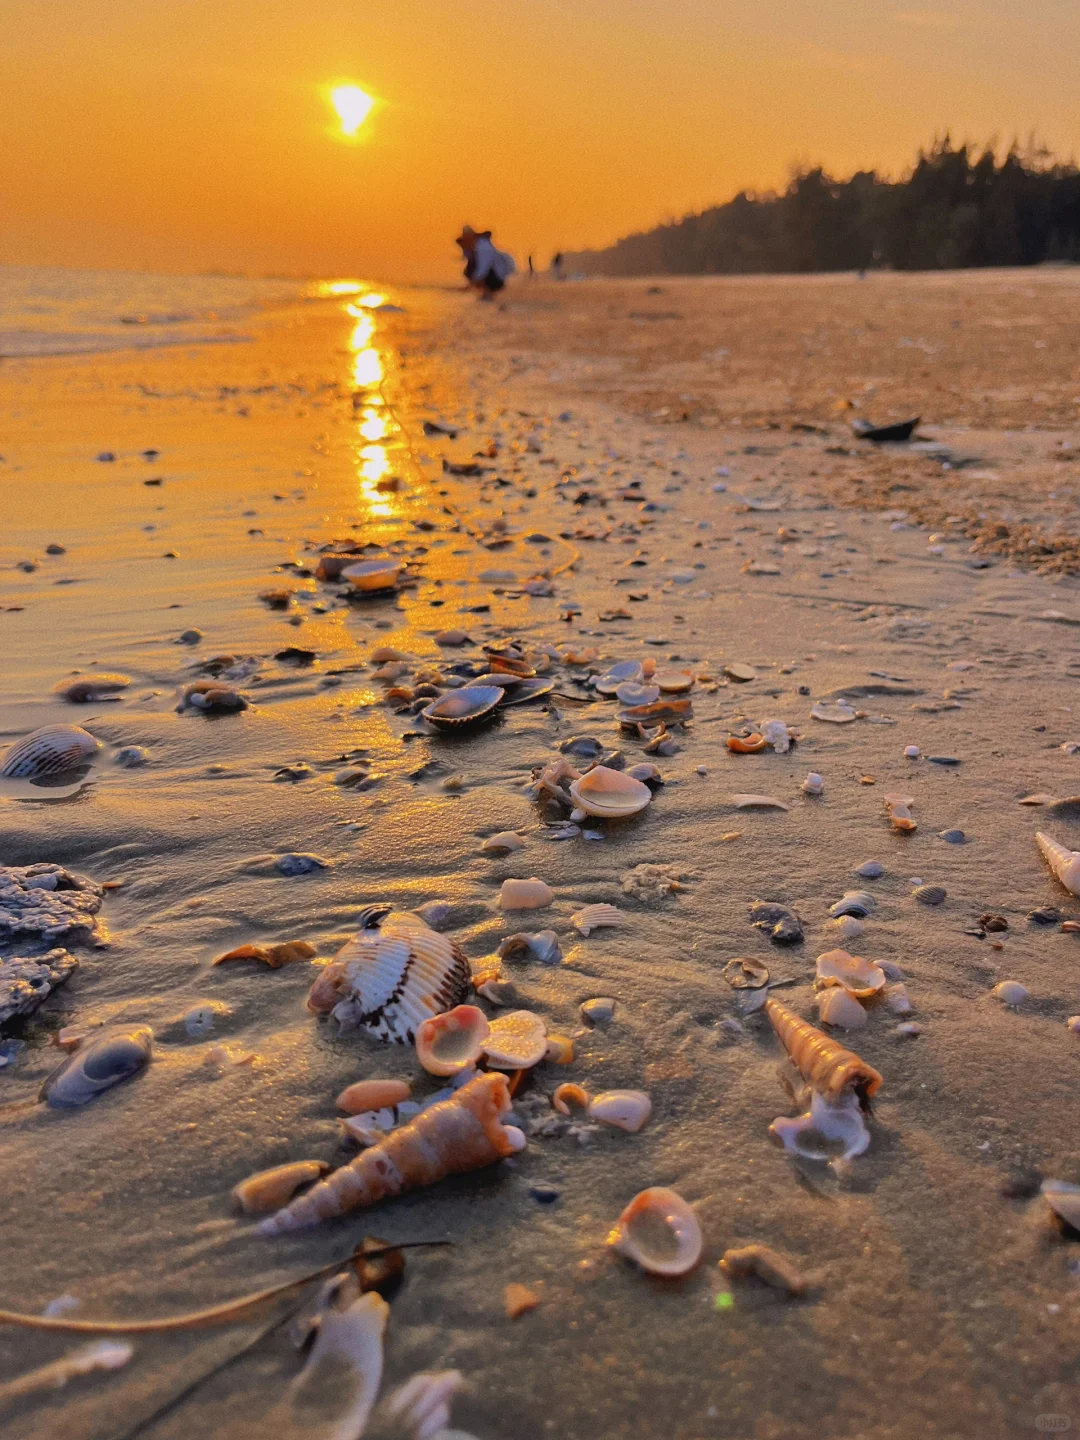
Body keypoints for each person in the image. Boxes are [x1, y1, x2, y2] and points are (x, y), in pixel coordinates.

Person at [455, 225, 516, 301]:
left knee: (477, 271)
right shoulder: (475, 247)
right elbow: (468, 258)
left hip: (497, 276)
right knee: (470, 270)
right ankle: (484, 292)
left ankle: (488, 293)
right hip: (492, 273)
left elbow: (483, 268)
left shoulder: (483, 247)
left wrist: (472, 283)